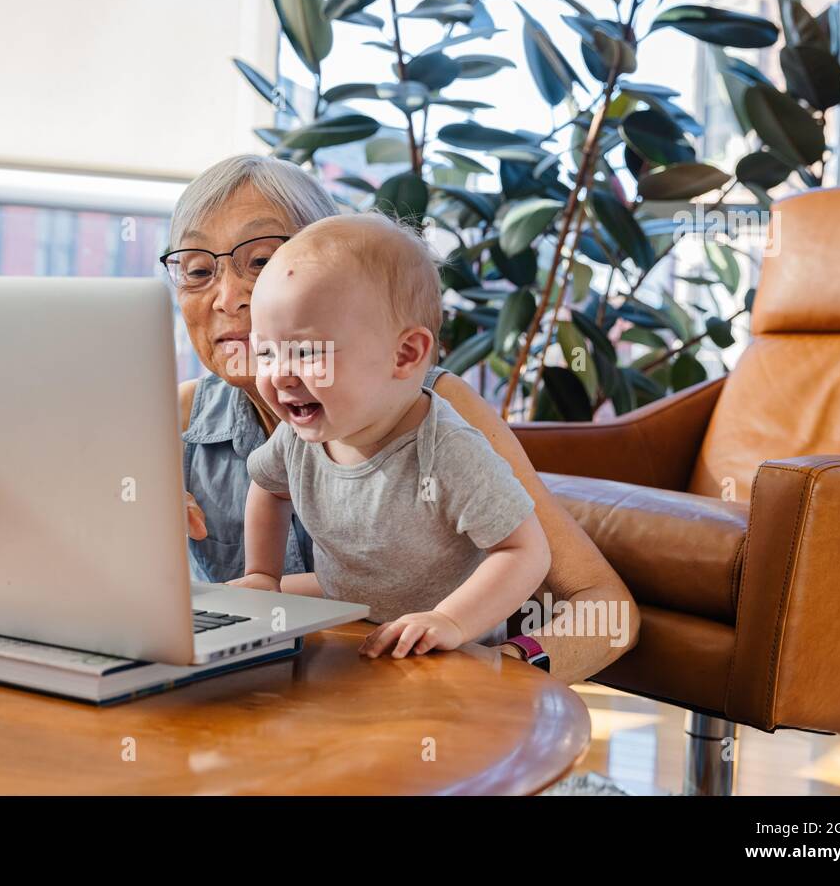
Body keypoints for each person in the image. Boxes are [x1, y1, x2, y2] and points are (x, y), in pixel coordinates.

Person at [165, 153, 639, 682]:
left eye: (260, 262)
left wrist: (497, 675)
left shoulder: (439, 413)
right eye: (199, 271)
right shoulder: (179, 417)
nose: (228, 298)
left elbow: (606, 610)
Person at [232, 214, 551, 661]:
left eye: (305, 351)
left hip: (444, 656)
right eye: (266, 351)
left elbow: (525, 550)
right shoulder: (297, 438)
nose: (280, 375)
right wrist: (263, 574)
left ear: (404, 355)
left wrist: (449, 621)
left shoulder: (448, 450)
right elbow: (268, 487)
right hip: (352, 635)